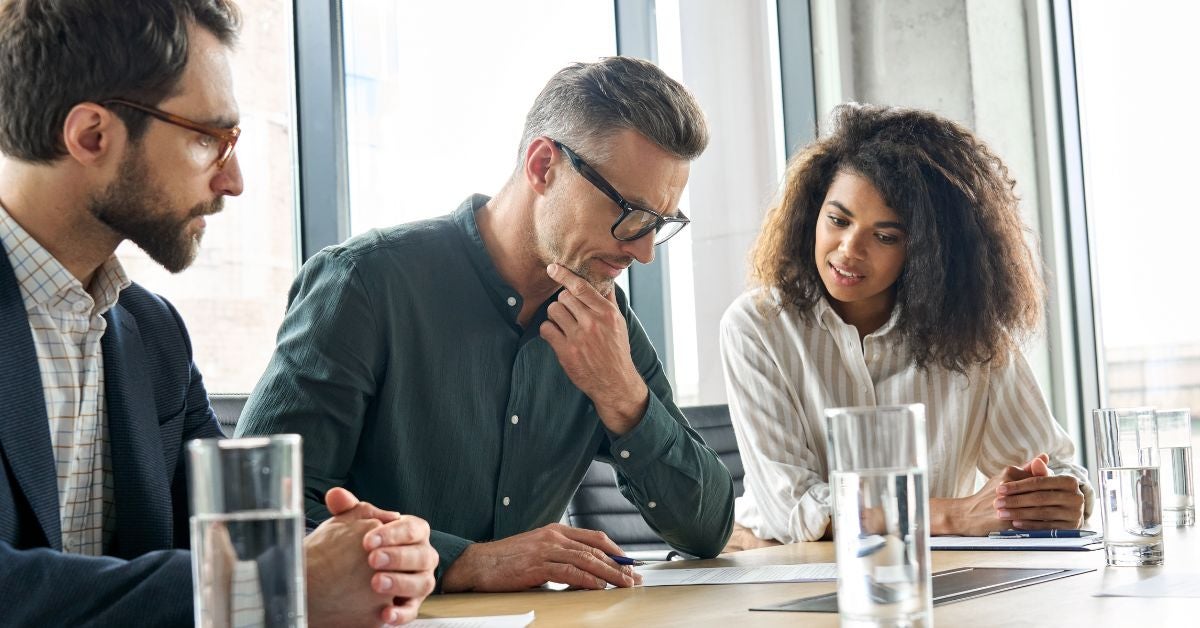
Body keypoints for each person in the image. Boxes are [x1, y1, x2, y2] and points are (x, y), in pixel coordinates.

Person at [0, 1, 435, 625]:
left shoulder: (154, 336)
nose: (233, 180)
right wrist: (289, 581)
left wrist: (376, 555)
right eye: (208, 138)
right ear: (92, 135)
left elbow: (229, 545)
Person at [236, 56, 735, 592]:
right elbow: (255, 510)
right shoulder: (365, 283)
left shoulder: (604, 321)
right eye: (631, 213)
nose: (643, 253)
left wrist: (622, 395)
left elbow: (706, 531)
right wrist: (466, 562)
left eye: (659, 225)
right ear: (544, 165)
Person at [719, 103, 1094, 550]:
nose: (848, 250)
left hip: (933, 574)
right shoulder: (757, 326)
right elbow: (795, 510)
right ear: (812, 214)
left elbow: (1058, 468)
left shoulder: (972, 336)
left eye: (885, 236)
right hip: (780, 565)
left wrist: (1051, 497)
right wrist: (952, 515)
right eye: (838, 220)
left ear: (927, 252)